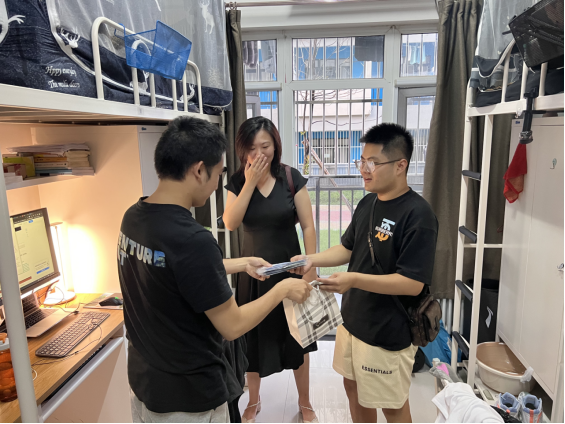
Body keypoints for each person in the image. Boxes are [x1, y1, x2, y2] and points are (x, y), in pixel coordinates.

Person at [117, 116, 313, 424]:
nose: (216, 186)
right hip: (189, 398)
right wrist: (282, 288)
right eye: (217, 175)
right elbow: (233, 326)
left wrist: (241, 263)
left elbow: (176, 266)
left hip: (145, 385)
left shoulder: (133, 217)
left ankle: (304, 400)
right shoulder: (194, 240)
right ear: (199, 170)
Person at [291, 123, 439, 424]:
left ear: (400, 165)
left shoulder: (418, 215)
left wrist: (353, 280)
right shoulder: (368, 202)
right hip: (352, 321)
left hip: (388, 330)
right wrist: (310, 259)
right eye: (362, 161)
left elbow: (412, 283)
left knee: (392, 406)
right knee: (353, 389)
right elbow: (348, 248)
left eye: (372, 163)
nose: (363, 169)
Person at [222, 117, 319, 423]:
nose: (259, 154)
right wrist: (250, 182)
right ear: (242, 151)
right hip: (253, 275)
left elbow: (308, 226)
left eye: (265, 146)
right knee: (252, 341)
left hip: (291, 271)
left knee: (298, 340)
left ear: (275, 146)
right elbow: (230, 222)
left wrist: (311, 267)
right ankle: (254, 399)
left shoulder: (290, 177)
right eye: (252, 149)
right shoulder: (238, 181)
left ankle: (305, 401)